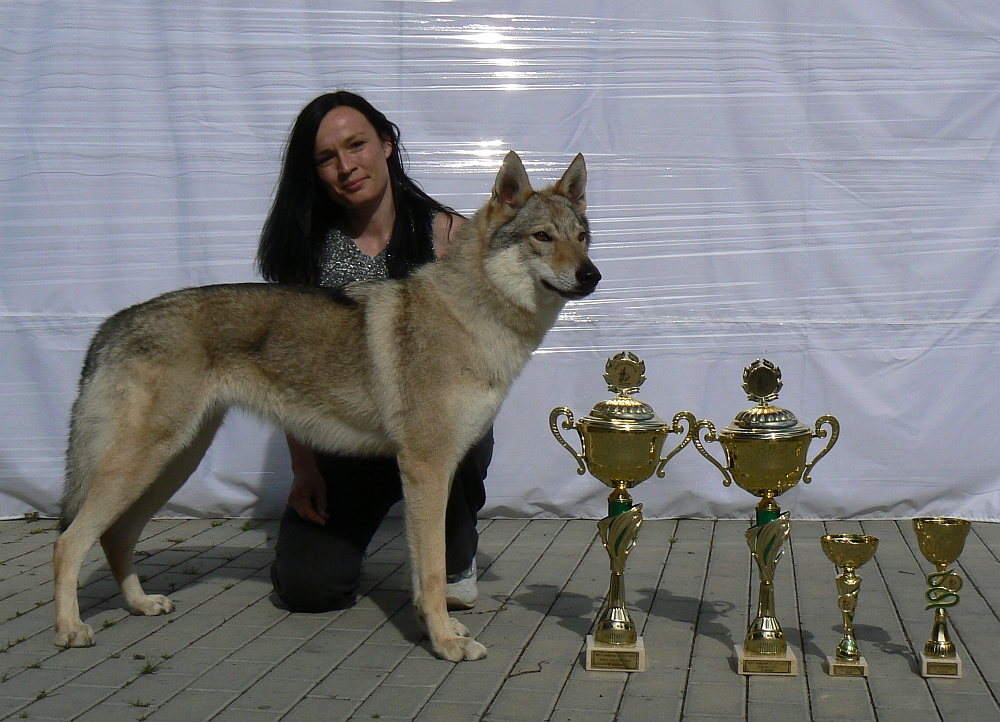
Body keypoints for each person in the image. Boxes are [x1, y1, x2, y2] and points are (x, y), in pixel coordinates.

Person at [257, 91, 492, 613]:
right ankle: (340, 547)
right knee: (307, 590)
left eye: (356, 145)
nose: (345, 166)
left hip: (435, 434)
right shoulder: (304, 254)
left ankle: (453, 551)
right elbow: (287, 373)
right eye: (325, 158)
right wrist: (303, 471)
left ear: (386, 144)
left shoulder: (452, 236)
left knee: (464, 420)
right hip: (348, 443)